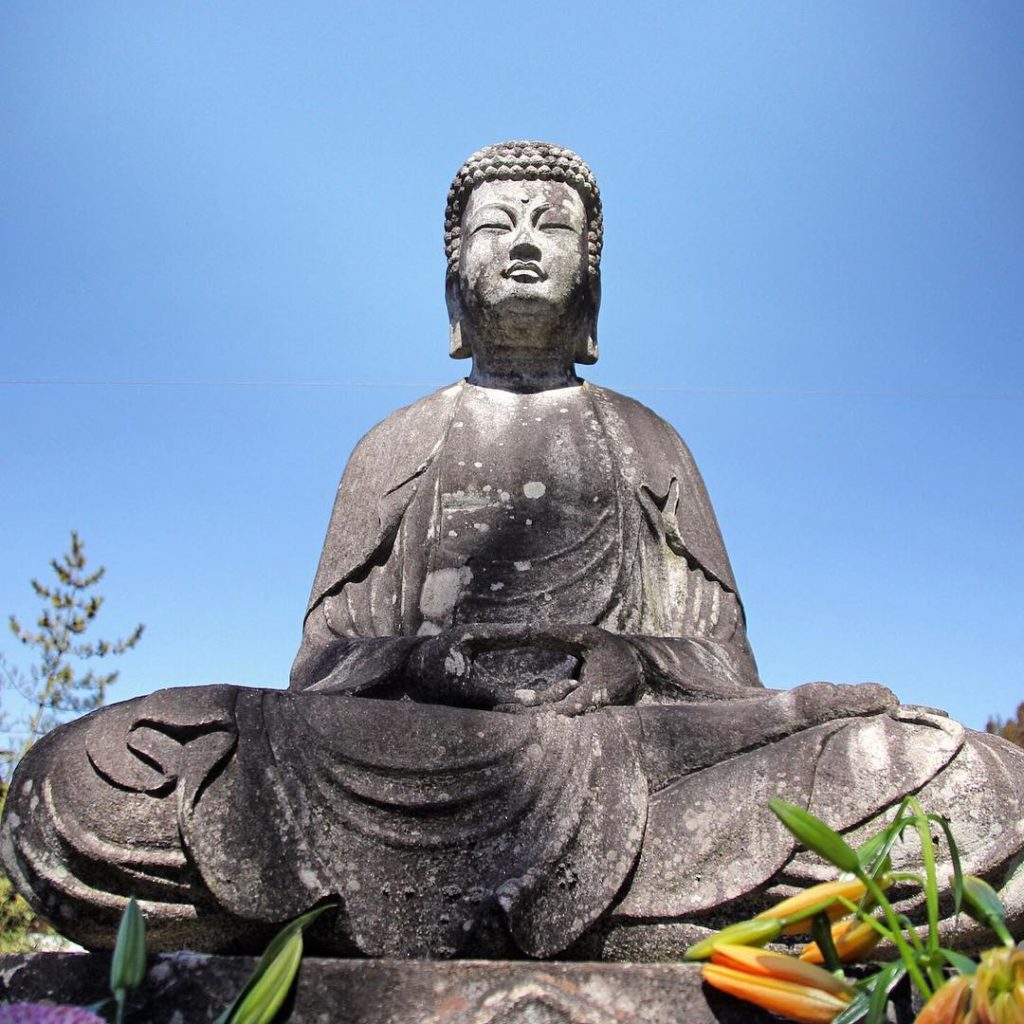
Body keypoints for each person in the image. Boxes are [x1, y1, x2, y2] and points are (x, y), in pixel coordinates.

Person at [3, 142, 1023, 959]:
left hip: (631, 749)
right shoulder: (397, 442)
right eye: (496, 225)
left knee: (963, 778)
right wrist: (417, 660)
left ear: (590, 271)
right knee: (80, 779)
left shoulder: (647, 440)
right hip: (410, 762)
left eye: (554, 225)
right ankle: (646, 918)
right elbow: (321, 665)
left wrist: (632, 659)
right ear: (455, 265)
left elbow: (724, 667)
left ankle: (378, 914)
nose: (525, 242)